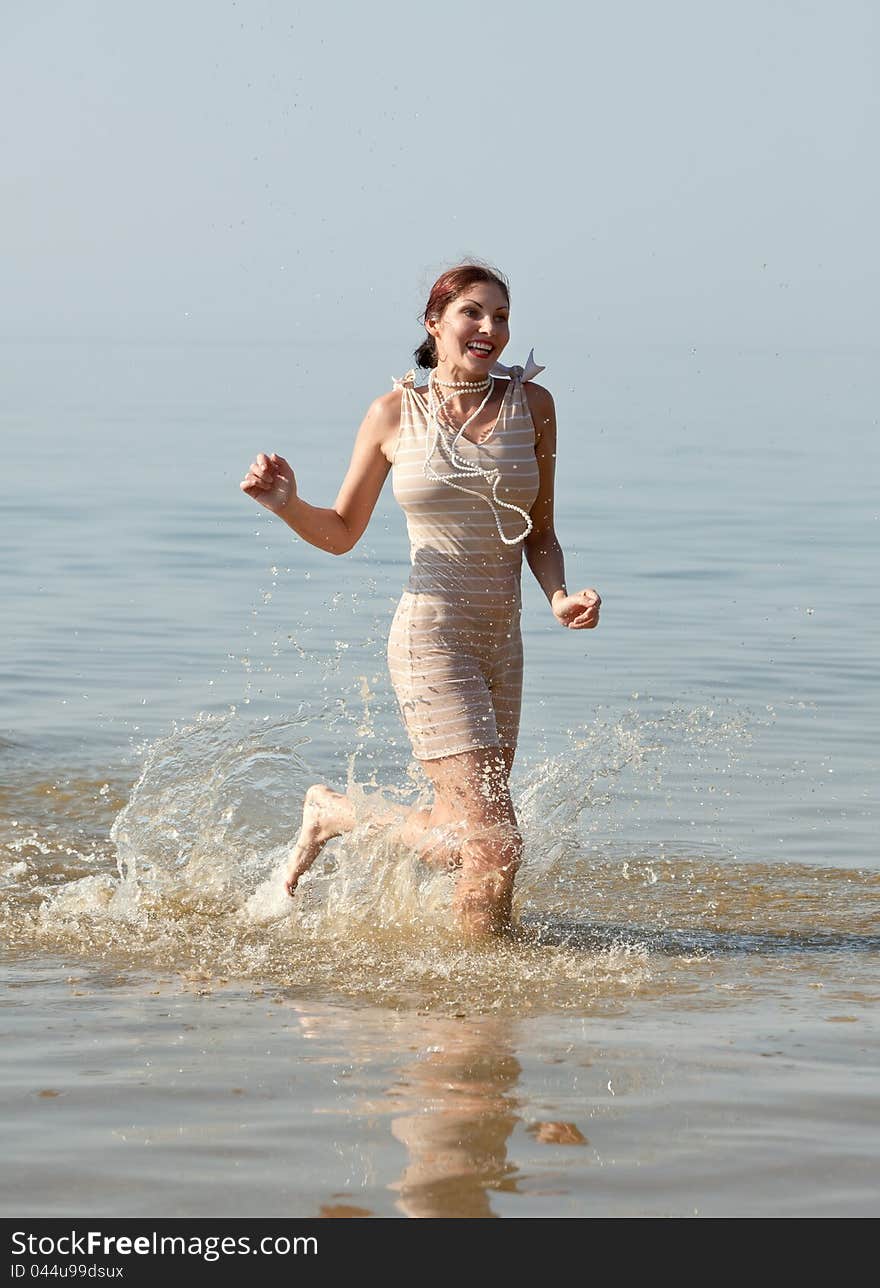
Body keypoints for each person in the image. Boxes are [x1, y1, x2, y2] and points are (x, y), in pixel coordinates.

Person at [240, 263, 600, 936]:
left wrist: (557, 597)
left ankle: (336, 814)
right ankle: (482, 991)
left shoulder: (534, 407)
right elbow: (343, 531)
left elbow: (541, 532)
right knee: (497, 843)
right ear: (434, 322)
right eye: (473, 312)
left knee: (467, 835)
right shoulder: (394, 412)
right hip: (430, 636)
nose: (489, 328)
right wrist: (287, 505)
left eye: (501, 316)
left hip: (503, 641)